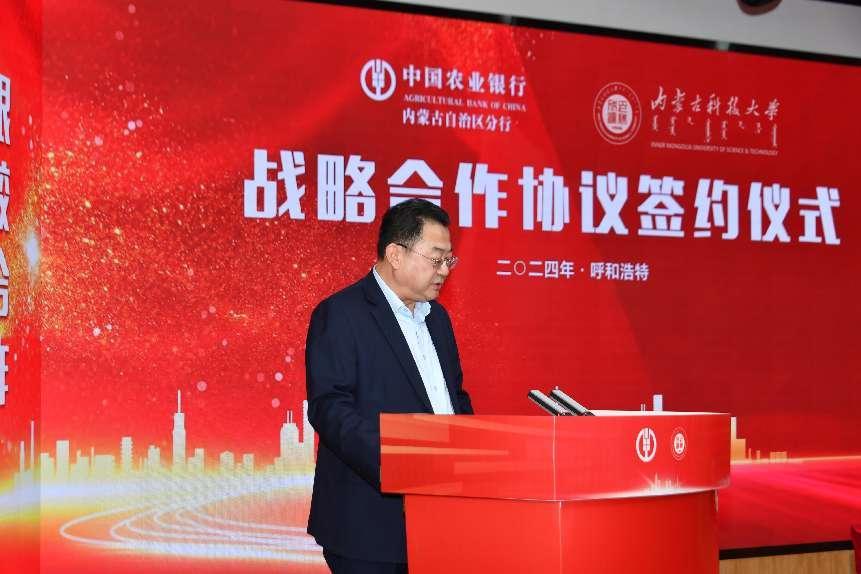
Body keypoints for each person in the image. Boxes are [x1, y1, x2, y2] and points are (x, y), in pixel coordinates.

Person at [305, 198, 473, 574]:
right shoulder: (341, 313)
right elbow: (330, 408)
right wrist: (399, 464)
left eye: (449, 260)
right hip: (368, 523)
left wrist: (469, 454)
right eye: (436, 258)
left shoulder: (438, 319)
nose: (444, 270)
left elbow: (453, 398)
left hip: (440, 515)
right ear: (396, 254)